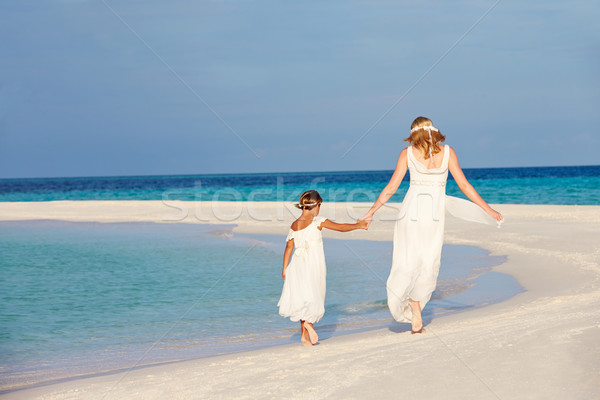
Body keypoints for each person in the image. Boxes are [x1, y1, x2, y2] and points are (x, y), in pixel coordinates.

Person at [361, 116, 503, 334]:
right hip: (434, 216)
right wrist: (488, 210)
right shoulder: (448, 152)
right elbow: (464, 185)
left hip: (411, 213)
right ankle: (416, 307)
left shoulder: (407, 154)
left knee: (407, 260)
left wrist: (371, 212)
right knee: (429, 261)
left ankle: (412, 307)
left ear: (414, 133)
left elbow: (391, 188)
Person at [278, 190, 368, 346]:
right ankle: (309, 324)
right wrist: (358, 225)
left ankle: (304, 336)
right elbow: (340, 227)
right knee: (314, 295)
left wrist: (284, 269)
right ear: (317, 205)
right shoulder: (317, 221)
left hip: (297, 265)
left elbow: (288, 246)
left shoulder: (295, 224)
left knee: (303, 298)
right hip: (313, 265)